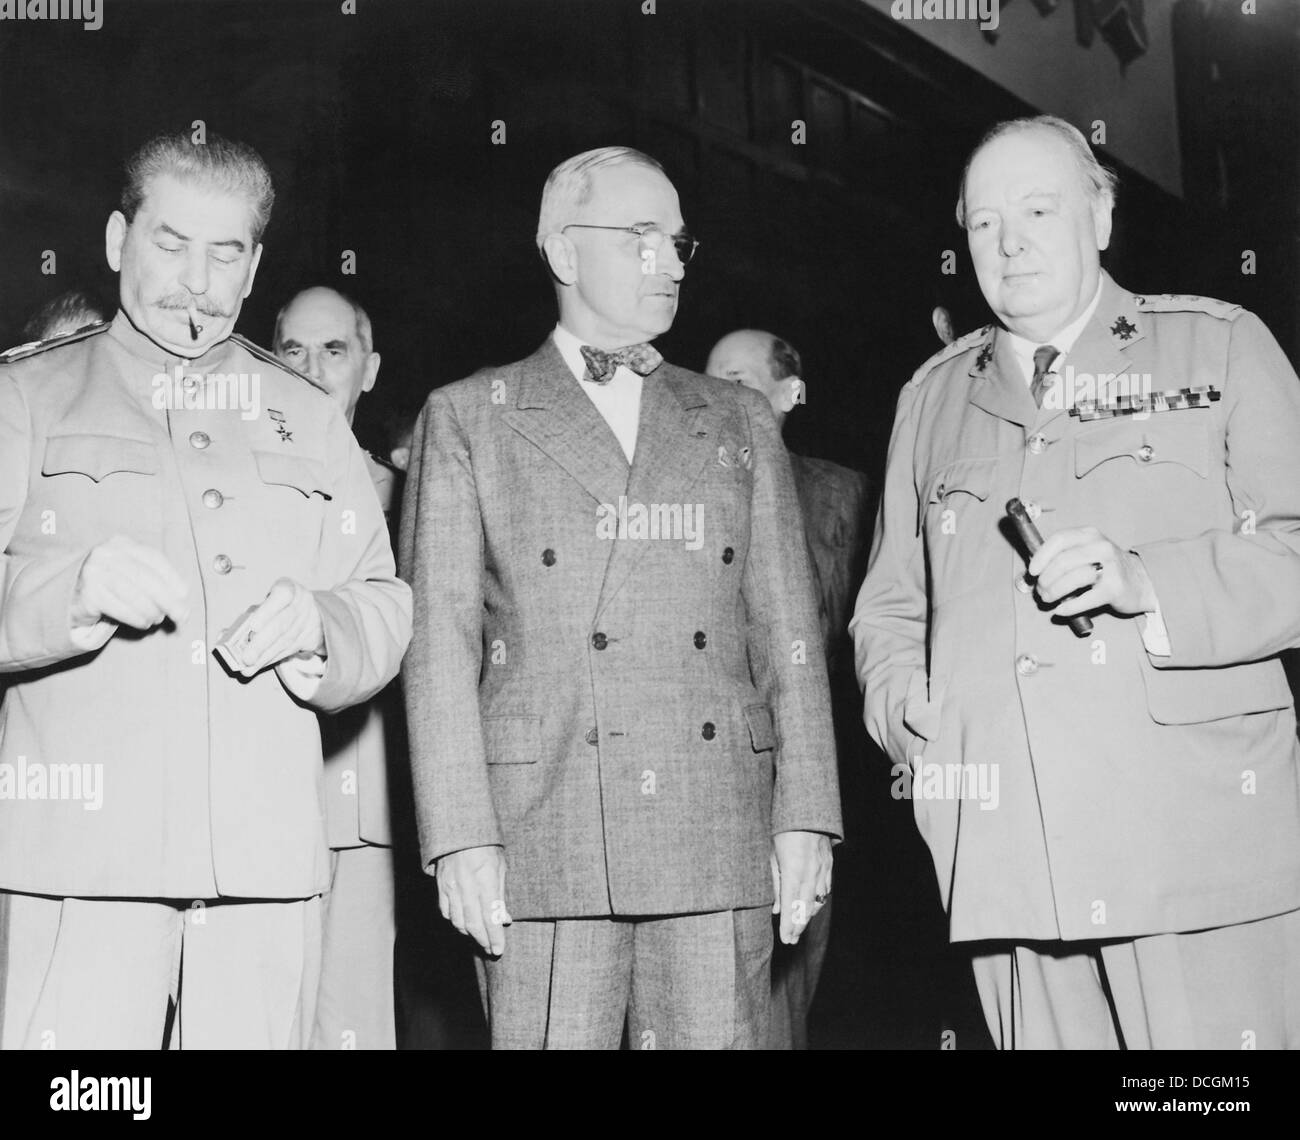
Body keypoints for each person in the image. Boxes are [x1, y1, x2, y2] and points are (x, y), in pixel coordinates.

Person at [852, 114, 1300, 1049]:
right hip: (1007, 855)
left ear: (1099, 217)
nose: (1008, 241)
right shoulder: (931, 398)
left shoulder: (1214, 348)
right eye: (982, 223)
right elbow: (890, 606)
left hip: (1192, 848)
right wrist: (907, 712)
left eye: (1037, 209)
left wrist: (1149, 583)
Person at [400, 145, 841, 1049]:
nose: (672, 262)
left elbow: (789, 634)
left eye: (679, 242)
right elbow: (438, 648)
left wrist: (807, 813)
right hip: (544, 832)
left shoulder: (737, 416)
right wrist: (458, 838)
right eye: (642, 237)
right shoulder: (471, 415)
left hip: (716, 823)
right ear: (562, 252)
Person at [0, 131, 411, 1049]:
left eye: (224, 253)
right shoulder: (26, 397)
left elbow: (382, 598)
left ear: (255, 265)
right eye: (169, 244)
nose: (195, 280)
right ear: (116, 242)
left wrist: (324, 627)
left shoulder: (305, 414)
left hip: (265, 868)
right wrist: (69, 589)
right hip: (81, 868)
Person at [705, 328, 870, 1049]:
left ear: (790, 394)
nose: (719, 396)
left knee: (785, 995)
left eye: (740, 380)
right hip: (702, 782)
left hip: (804, 780)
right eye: (708, 381)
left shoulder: (838, 493)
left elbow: (850, 638)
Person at [273, 285, 401, 1050]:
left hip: (363, 799)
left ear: (370, 368)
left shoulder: (413, 491)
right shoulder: (227, 481)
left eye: (335, 351)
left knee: (351, 1021)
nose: (314, 370)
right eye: (293, 350)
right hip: (254, 793)